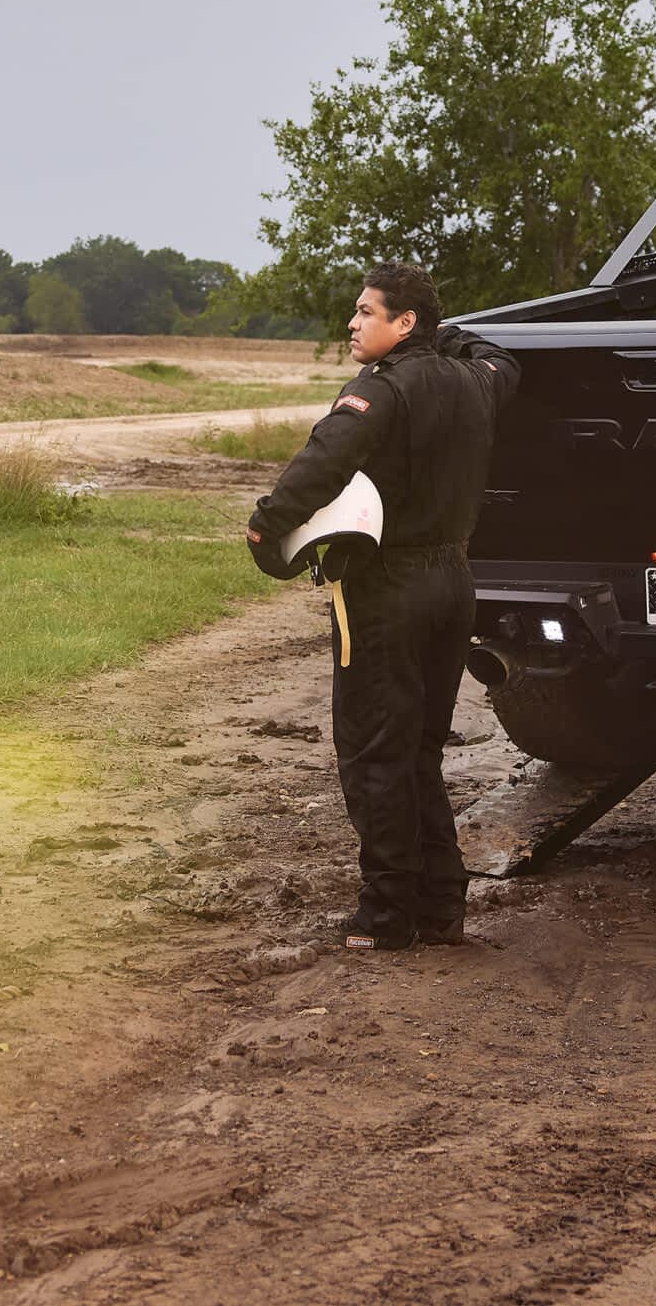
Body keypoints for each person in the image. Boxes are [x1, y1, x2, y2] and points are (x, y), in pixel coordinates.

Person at [248, 263, 518, 951]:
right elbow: (499, 356)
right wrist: (432, 335)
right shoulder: (476, 383)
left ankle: (388, 911)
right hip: (454, 585)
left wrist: (263, 529)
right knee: (421, 750)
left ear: (403, 324)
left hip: (389, 590)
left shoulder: (379, 391)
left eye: (368, 312)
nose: (352, 322)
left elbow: (319, 464)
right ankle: (441, 907)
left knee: (375, 753)